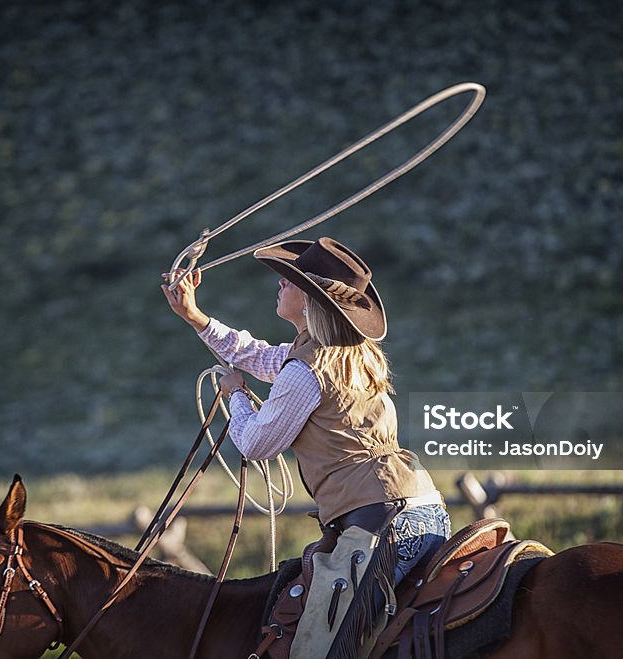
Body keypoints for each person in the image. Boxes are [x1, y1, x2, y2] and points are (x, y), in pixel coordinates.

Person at [163, 237, 450, 655]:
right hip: (421, 509)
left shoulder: (307, 369)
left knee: (317, 650)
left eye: (289, 281)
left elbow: (257, 443)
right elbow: (257, 356)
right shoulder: (349, 355)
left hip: (380, 526)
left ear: (312, 300)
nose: (280, 284)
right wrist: (196, 318)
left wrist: (236, 396)